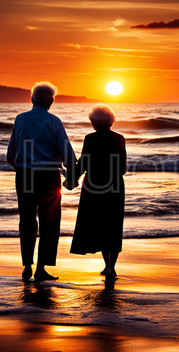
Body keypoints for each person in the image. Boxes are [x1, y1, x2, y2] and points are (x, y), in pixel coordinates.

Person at [7, 81, 76, 282]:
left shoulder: (20, 119)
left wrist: (19, 168)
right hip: (48, 176)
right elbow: (67, 154)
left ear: (31, 99)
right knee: (50, 223)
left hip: (25, 174)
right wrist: (71, 176)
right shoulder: (54, 121)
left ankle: (27, 266)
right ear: (51, 102)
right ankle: (41, 269)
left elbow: (11, 154)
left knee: (27, 221)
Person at [70, 104, 126, 279]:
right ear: (110, 121)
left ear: (95, 122)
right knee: (113, 225)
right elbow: (122, 169)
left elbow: (84, 164)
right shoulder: (119, 138)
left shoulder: (90, 139)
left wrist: (72, 178)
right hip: (115, 185)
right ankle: (111, 268)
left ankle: (106, 266)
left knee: (100, 224)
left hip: (93, 186)